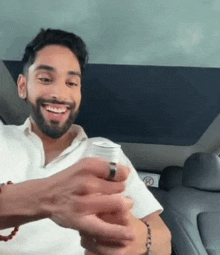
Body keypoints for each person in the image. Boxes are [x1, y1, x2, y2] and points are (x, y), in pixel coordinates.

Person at [0, 28, 171, 255]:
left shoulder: (107, 153)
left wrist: (141, 241)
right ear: (23, 86)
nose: (60, 94)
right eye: (45, 79)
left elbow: (164, 239)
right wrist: (50, 197)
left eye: (72, 83)